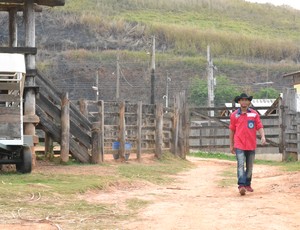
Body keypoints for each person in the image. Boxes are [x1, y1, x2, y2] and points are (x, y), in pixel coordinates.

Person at [229, 93, 266, 195]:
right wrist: (231, 144)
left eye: (246, 100)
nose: (244, 102)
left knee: (249, 166)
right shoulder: (234, 115)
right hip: (239, 144)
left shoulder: (254, 114)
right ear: (239, 102)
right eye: (242, 100)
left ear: (249, 102)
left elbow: (259, 126)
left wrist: (263, 136)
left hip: (251, 144)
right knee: (240, 164)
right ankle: (241, 185)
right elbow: (232, 130)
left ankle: (247, 184)